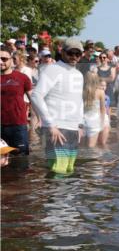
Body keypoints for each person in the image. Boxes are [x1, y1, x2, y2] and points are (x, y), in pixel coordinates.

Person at [30, 37, 85, 174]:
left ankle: (66, 196)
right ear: (63, 52)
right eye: (71, 53)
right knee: (58, 170)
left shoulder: (78, 74)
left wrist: (80, 125)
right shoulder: (52, 69)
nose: (74, 57)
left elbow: (79, 100)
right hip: (57, 127)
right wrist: (50, 124)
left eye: (77, 54)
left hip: (73, 128)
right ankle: (55, 196)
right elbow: (36, 95)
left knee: (68, 169)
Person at [0, 46, 33, 157]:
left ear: (11, 60)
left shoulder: (22, 77)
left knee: (21, 161)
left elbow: (33, 99)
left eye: (4, 59)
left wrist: (40, 119)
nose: (1, 62)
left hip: (18, 126)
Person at [81, 66, 108, 148]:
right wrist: (102, 123)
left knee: (81, 147)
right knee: (91, 147)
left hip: (82, 120)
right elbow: (103, 110)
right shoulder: (100, 92)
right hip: (94, 121)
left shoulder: (81, 91)